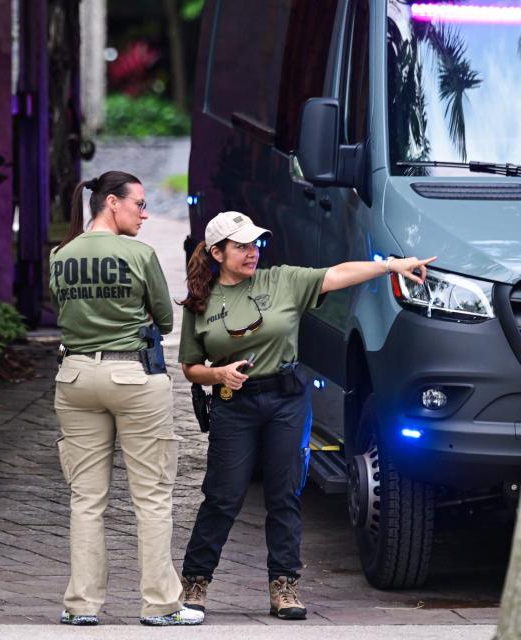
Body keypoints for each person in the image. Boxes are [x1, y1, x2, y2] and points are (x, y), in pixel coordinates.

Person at [177, 211, 436, 620]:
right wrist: (217, 372)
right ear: (217, 252)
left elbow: (338, 273)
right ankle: (195, 582)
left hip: (285, 399)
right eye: (241, 246)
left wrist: (392, 265)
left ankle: (284, 586)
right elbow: (190, 365)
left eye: (255, 244)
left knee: (284, 495)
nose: (252, 252)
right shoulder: (202, 299)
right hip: (233, 402)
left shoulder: (281, 280)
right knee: (222, 496)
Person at [49, 171, 204, 627]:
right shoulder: (139, 254)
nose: (146, 212)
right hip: (134, 375)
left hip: (75, 375)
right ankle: (161, 604)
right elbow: (165, 320)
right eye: (139, 204)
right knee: (152, 497)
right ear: (111, 203)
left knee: (86, 498)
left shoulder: (62, 254)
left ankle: (81, 605)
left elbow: (62, 309)